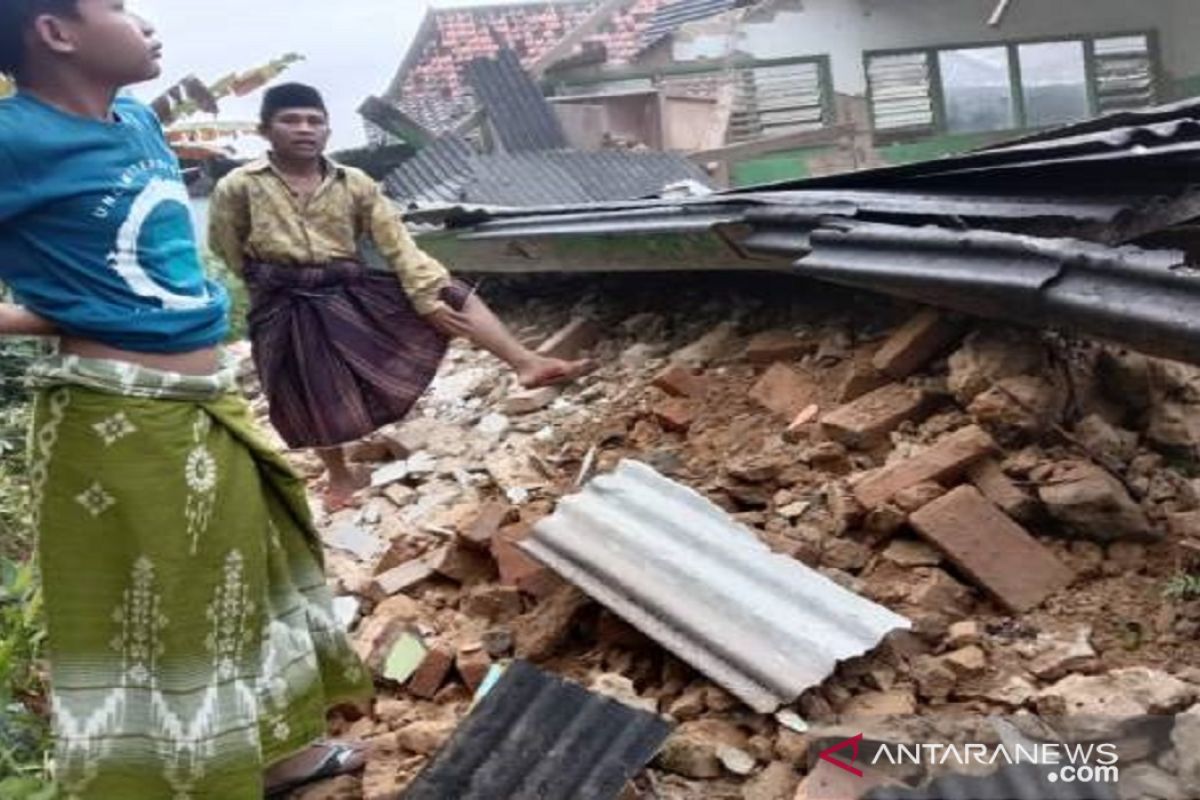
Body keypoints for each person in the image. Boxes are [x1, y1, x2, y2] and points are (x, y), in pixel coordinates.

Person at [0, 2, 371, 797]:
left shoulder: (134, 120)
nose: (146, 23)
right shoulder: (14, 140)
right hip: (119, 417)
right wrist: (44, 317)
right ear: (55, 33)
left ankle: (284, 758)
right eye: (118, 8)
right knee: (163, 609)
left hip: (203, 401)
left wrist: (68, 302)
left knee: (246, 580)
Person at [207, 83, 592, 510]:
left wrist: (425, 298)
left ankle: (527, 364)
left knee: (449, 291)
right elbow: (226, 245)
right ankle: (339, 477)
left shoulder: (355, 183)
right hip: (284, 295)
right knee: (306, 382)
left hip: (346, 283)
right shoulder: (238, 186)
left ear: (328, 132)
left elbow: (397, 244)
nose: (304, 129)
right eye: (290, 120)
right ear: (266, 130)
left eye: (315, 121)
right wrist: (272, 282)